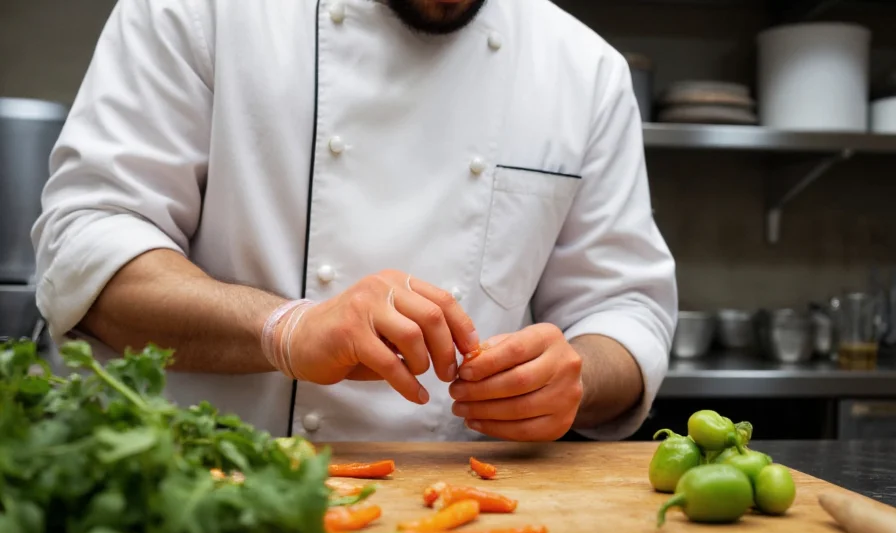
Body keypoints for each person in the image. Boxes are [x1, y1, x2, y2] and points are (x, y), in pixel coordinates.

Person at [31, 0, 678, 442]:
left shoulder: (584, 70)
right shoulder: (198, 12)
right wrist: (286, 329)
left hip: (454, 526)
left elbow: (627, 311)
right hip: (195, 498)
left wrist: (577, 376)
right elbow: (88, 249)